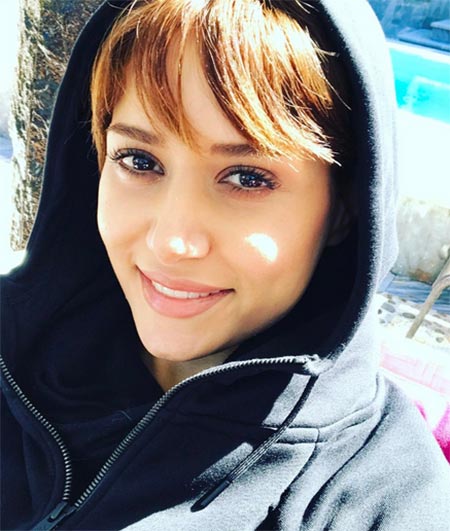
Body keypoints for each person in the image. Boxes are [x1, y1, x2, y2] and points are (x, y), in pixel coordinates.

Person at [1, 0, 449, 529]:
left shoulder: (384, 501)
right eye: (139, 161)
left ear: (345, 209)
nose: (172, 243)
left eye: (247, 178)